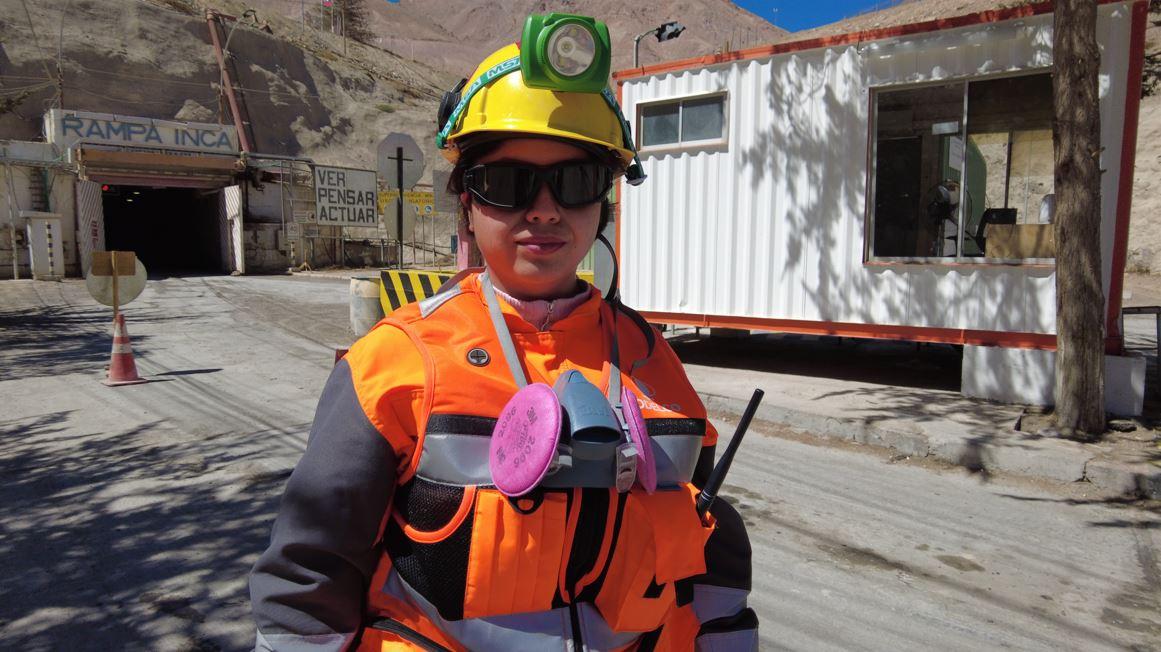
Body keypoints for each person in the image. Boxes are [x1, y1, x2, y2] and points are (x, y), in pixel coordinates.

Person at [250, 14, 756, 651]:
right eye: (507, 184)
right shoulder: (398, 363)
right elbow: (307, 576)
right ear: (466, 202)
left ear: (604, 201)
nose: (543, 209)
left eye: (573, 182)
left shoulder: (654, 363)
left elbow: (701, 557)